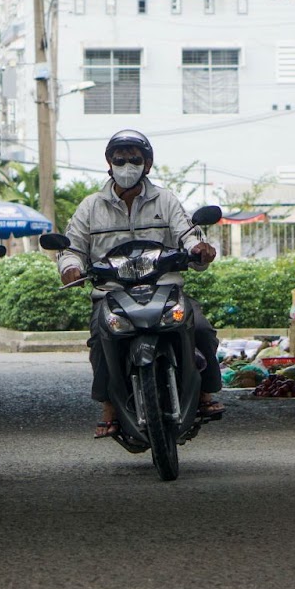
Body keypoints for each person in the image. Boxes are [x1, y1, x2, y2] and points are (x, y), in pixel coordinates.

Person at [57, 129, 223, 438]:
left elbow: (189, 235)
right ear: (109, 163)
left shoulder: (166, 199)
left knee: (199, 327)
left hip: (164, 288)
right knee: (100, 338)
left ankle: (204, 394)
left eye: (134, 159)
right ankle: (109, 407)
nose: (126, 165)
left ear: (147, 164)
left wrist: (200, 249)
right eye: (119, 159)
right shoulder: (90, 207)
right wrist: (71, 267)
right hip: (112, 294)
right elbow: (71, 248)